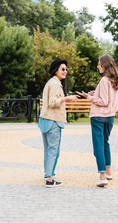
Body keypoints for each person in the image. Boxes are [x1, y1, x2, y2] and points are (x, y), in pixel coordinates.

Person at [77, 54, 118, 187]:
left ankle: (102, 177)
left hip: (98, 117)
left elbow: (103, 101)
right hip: (110, 117)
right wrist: (94, 93)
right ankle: (108, 172)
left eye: (99, 64)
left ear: (104, 65)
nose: (98, 66)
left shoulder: (104, 80)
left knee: (98, 146)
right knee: (105, 144)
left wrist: (90, 98)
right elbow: (110, 98)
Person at [39, 58, 79, 188]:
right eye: (63, 69)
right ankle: (50, 179)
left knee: (48, 150)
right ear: (56, 70)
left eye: (66, 69)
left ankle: (48, 174)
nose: (65, 71)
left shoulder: (50, 82)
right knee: (53, 150)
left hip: (45, 120)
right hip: (53, 121)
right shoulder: (56, 84)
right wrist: (68, 98)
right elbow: (52, 102)